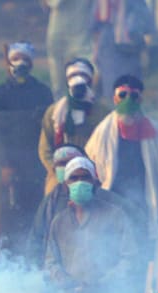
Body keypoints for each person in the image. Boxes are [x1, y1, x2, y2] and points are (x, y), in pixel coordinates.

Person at [85, 74, 158, 293]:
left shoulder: (153, 132)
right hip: (109, 212)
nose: (128, 101)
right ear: (114, 98)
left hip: (140, 212)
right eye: (123, 95)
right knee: (108, 263)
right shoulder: (101, 134)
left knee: (137, 267)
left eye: (134, 96)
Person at [44, 156, 137, 293]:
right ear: (65, 185)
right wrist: (66, 282)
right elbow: (51, 261)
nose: (79, 182)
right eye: (74, 178)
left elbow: (129, 259)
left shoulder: (115, 215)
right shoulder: (59, 222)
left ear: (95, 182)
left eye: (85, 177)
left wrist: (101, 284)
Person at [0, 42, 53, 254]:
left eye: (25, 59)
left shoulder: (43, 92)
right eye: (16, 58)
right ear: (8, 62)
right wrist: (5, 164)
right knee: (7, 215)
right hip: (10, 166)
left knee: (35, 211)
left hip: (36, 164)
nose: (20, 63)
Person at [39, 58, 106, 194]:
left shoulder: (103, 112)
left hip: (93, 177)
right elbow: (45, 150)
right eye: (73, 76)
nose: (78, 81)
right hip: (60, 178)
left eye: (83, 76)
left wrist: (91, 171)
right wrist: (58, 170)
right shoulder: (54, 113)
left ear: (90, 81)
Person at [91, 0, 157, 95]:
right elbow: (95, 26)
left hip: (128, 48)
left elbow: (147, 24)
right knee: (117, 90)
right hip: (111, 49)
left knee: (128, 90)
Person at [43, 0, 94, 95]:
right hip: (60, 33)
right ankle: (60, 105)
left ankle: (88, 103)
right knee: (58, 80)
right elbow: (48, 5)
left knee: (88, 72)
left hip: (81, 31)